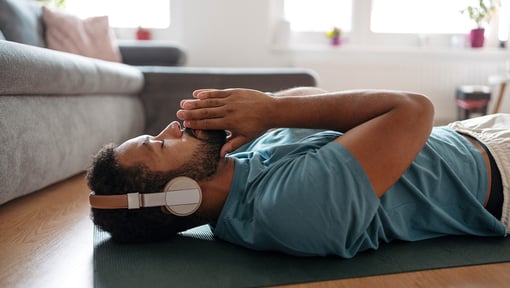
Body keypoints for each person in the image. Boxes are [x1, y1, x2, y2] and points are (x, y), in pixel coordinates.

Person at [87, 87, 509, 258]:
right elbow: (414, 108)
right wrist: (273, 110)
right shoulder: (286, 208)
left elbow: (313, 104)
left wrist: (260, 110)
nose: (172, 127)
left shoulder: (241, 163)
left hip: (469, 134)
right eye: (160, 145)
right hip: (499, 172)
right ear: (178, 196)